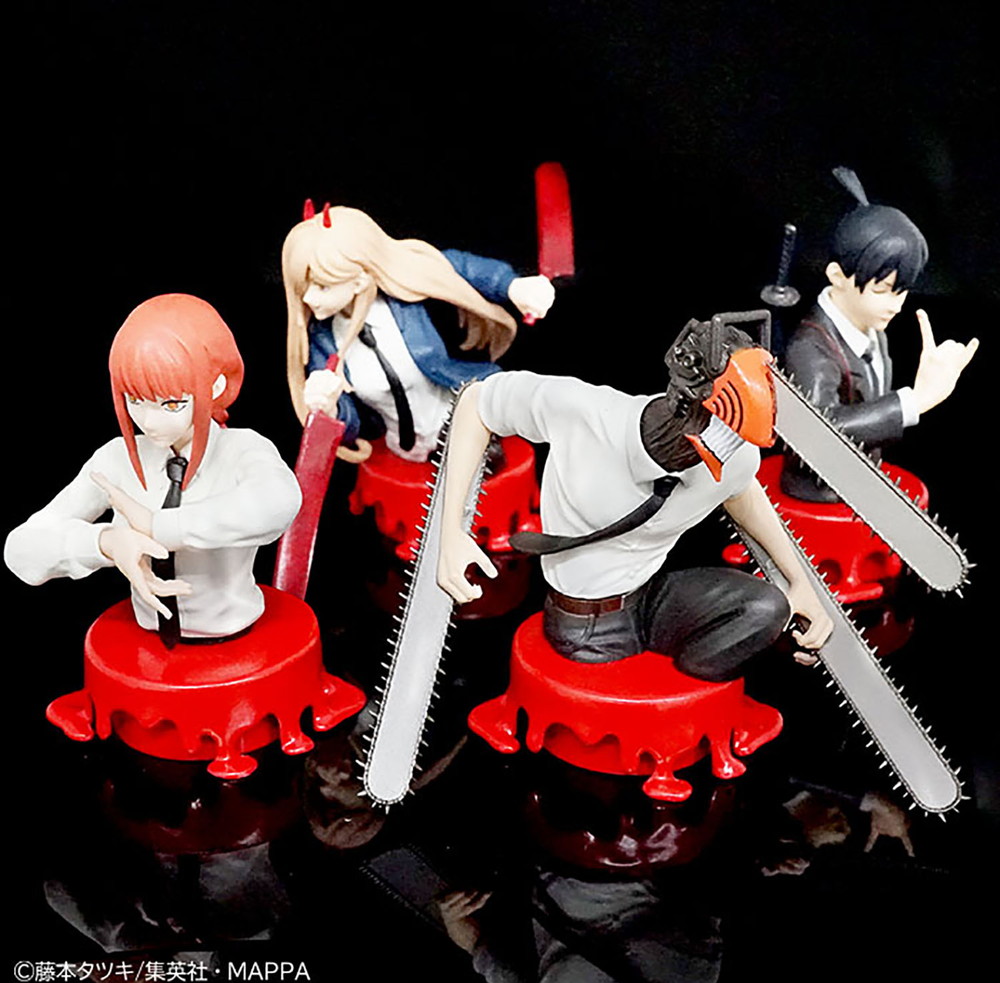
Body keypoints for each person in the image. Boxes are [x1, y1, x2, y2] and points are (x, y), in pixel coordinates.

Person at [436, 315, 833, 683]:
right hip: (583, 623)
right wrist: (451, 533)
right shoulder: (584, 414)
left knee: (765, 608)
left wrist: (798, 581)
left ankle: (678, 698)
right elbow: (477, 402)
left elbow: (741, 490)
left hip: (649, 597)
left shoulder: (736, 456)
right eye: (722, 435)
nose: (729, 450)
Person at [5, 294, 301, 640]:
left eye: (171, 404)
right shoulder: (115, 459)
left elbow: (278, 502)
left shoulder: (241, 449)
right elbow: (21, 549)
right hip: (146, 645)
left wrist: (160, 527)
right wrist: (105, 542)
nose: (149, 421)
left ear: (216, 385)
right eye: (134, 400)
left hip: (236, 642)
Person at [282, 205, 555, 463]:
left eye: (322, 286)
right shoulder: (325, 343)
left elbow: (454, 266)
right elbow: (350, 425)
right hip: (404, 448)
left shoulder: (404, 301)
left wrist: (512, 286)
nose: (308, 298)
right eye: (302, 287)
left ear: (359, 280)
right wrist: (328, 409)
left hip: (465, 421)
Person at [781, 167, 978, 501]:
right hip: (819, 490)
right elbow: (815, 435)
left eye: (902, 291)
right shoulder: (809, 348)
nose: (896, 305)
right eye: (882, 290)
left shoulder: (873, 330)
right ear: (837, 276)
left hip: (860, 482)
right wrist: (914, 401)